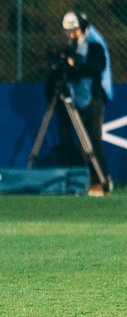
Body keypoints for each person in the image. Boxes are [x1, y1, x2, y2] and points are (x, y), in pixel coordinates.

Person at [47, 11, 113, 196]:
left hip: (94, 97)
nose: (70, 35)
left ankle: (101, 181)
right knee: (84, 144)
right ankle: (92, 181)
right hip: (78, 97)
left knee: (93, 141)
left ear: (81, 29)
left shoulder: (94, 45)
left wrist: (74, 65)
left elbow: (96, 67)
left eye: (73, 31)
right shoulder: (73, 46)